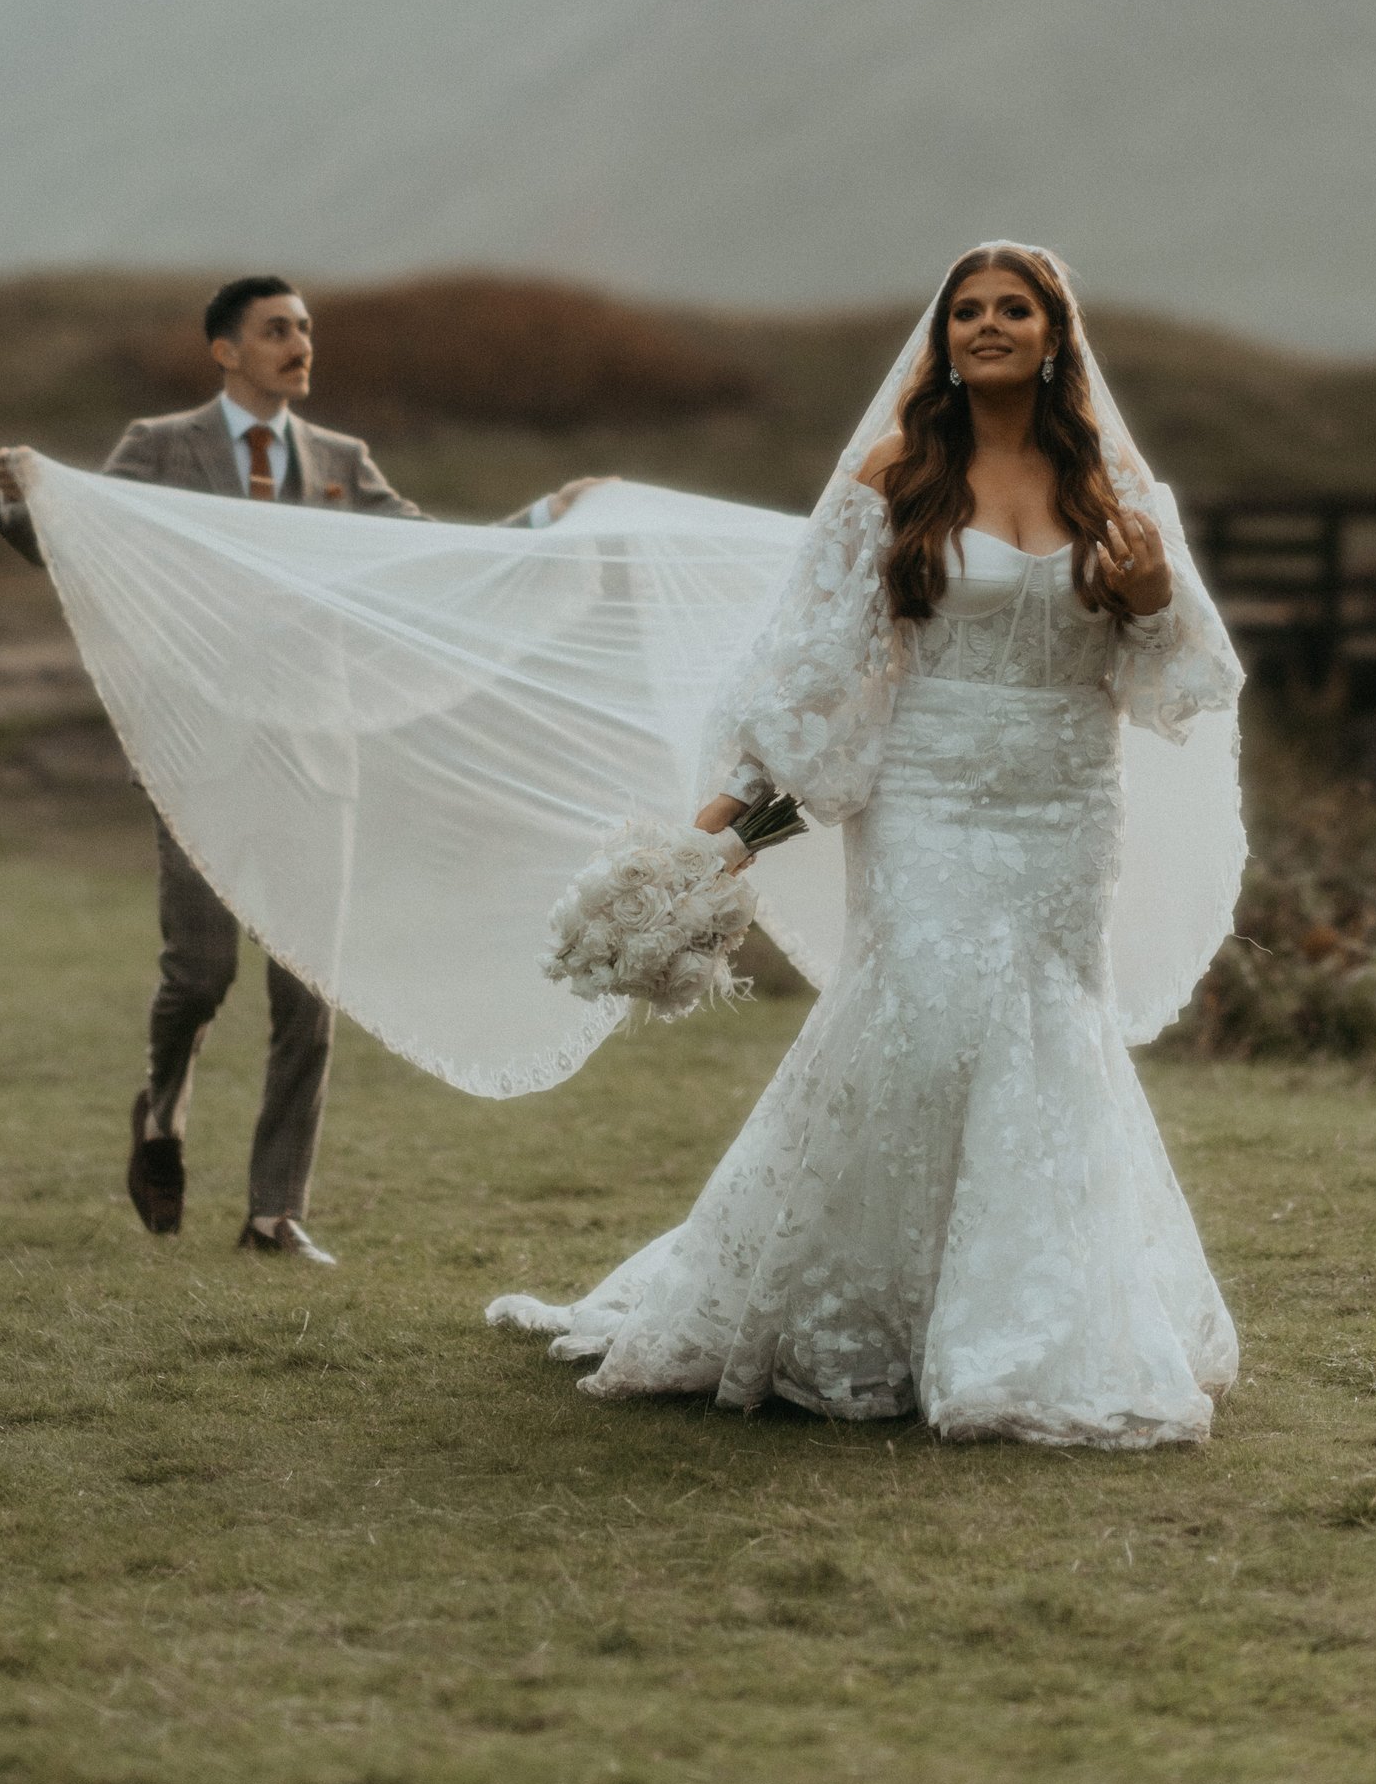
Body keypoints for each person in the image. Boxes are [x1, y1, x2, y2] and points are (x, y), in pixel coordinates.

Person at [486, 243, 1244, 1448]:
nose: (986, 326)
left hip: (1063, 805)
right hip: (927, 797)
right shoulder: (897, 472)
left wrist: (1148, 592)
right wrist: (715, 833)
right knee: (927, 1020)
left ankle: (1030, 1323)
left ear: (1056, 337)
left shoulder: (1108, 482)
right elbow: (817, 669)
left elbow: (1184, 675)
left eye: (1013, 310)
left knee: (1047, 1036)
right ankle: (851, 1310)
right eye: (966, 312)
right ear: (941, 337)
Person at [0, 273, 603, 1265]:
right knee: (198, 976)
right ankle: (161, 1111)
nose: (300, 343)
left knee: (307, 995)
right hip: (201, 758)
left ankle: (274, 1214)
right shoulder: (160, 448)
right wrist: (23, 505)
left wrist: (543, 522)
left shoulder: (340, 464)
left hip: (318, 757)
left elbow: (430, 555)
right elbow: (75, 546)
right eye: (278, 329)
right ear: (226, 351)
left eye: (308, 329)